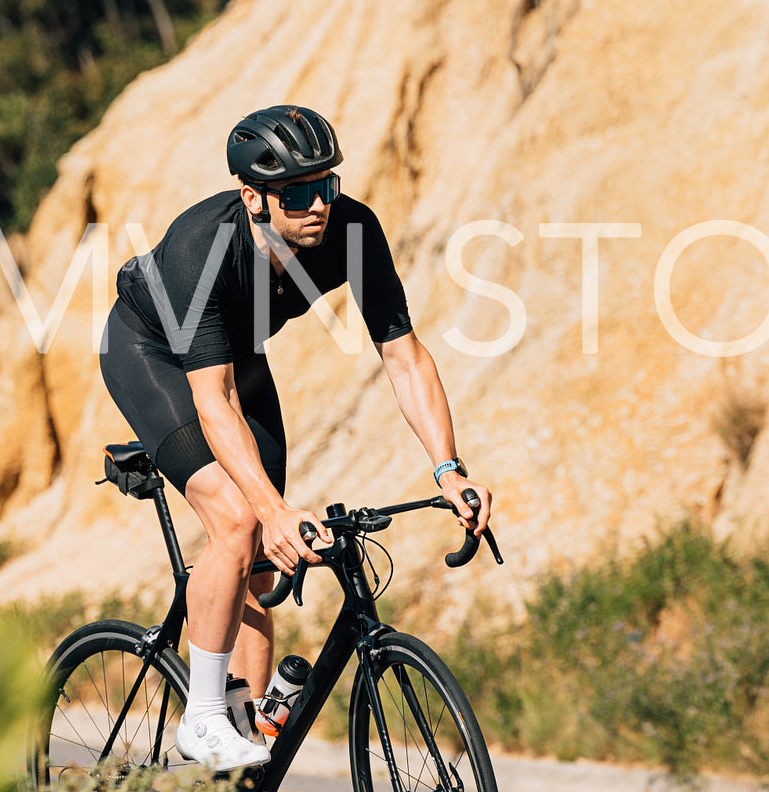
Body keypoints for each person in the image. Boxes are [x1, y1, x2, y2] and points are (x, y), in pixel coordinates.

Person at [99, 104, 493, 770]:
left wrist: (448, 469)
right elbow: (211, 397)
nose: (319, 205)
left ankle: (242, 747)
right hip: (151, 353)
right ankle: (200, 720)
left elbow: (403, 356)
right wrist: (271, 510)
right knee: (238, 518)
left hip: (236, 355)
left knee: (260, 563)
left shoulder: (352, 231)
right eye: (298, 192)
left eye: (327, 185)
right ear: (252, 197)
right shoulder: (205, 246)